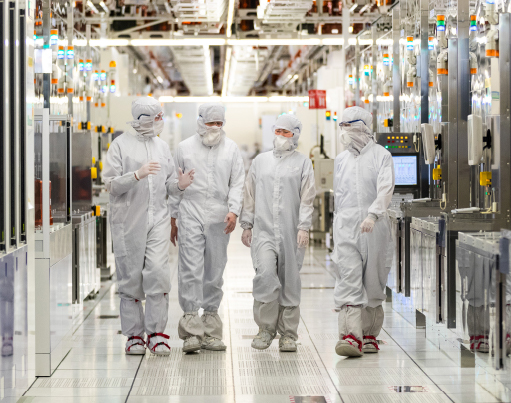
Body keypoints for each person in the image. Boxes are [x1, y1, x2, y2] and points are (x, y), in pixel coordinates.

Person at [103, 97, 195, 356]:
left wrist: (180, 185)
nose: (160, 122)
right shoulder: (120, 145)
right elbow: (110, 185)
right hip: (129, 221)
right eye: (157, 117)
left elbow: (167, 185)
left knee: (157, 274)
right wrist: (136, 175)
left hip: (158, 220)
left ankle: (156, 333)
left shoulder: (162, 147)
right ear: (144, 118)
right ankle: (133, 335)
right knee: (130, 277)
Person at [169, 103, 245, 353]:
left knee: (214, 272)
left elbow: (237, 183)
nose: (215, 128)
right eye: (210, 123)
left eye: (219, 124)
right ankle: (191, 330)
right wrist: (172, 217)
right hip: (189, 213)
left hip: (219, 216)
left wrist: (234, 210)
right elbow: (173, 182)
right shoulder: (184, 148)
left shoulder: (231, 149)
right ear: (200, 122)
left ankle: (211, 330)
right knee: (189, 270)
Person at [240, 114, 316, 352]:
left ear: (295, 135)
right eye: (278, 131)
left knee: (290, 282)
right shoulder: (260, 162)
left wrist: (304, 226)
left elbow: (307, 197)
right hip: (263, 231)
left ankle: (288, 334)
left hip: (292, 232)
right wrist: (246, 224)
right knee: (265, 275)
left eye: (287, 132)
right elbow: (249, 194)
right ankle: (265, 329)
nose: (281, 136)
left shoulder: (303, 163)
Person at [332, 106, 395, 357]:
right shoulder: (341, 160)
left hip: (374, 226)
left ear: (363, 127)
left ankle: (369, 335)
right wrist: (338, 225)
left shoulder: (381, 156)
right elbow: (339, 196)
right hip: (347, 227)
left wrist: (373, 213)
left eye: (348, 126)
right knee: (348, 279)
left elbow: (386, 188)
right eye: (342, 126)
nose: (344, 131)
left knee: (373, 282)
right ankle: (350, 336)